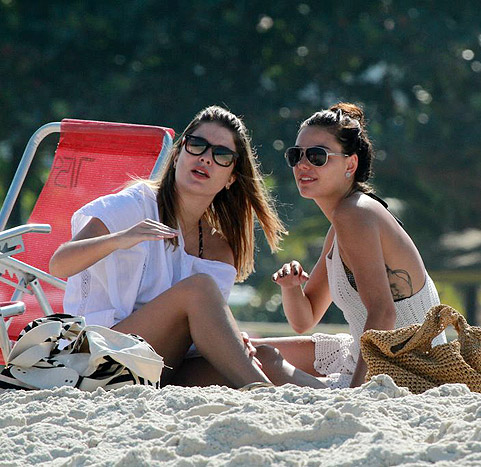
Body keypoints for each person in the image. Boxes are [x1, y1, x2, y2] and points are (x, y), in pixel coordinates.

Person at [49, 105, 325, 390]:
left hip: (160, 367)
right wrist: (120, 239)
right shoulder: (135, 205)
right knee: (199, 289)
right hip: (97, 359)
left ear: (231, 177)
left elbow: (198, 333)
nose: (206, 158)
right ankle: (265, 395)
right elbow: (59, 264)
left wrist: (230, 339)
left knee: (264, 356)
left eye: (221, 155)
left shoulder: (220, 248)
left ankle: (333, 397)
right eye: (197, 145)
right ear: (179, 152)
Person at [252, 102, 446, 388]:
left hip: (408, 371)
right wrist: (291, 288)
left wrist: (357, 395)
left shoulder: (354, 213)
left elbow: (383, 312)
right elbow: (304, 319)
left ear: (350, 164)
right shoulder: (341, 224)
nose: (303, 165)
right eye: (296, 155)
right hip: (368, 354)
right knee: (248, 351)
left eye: (317, 156)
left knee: (257, 359)